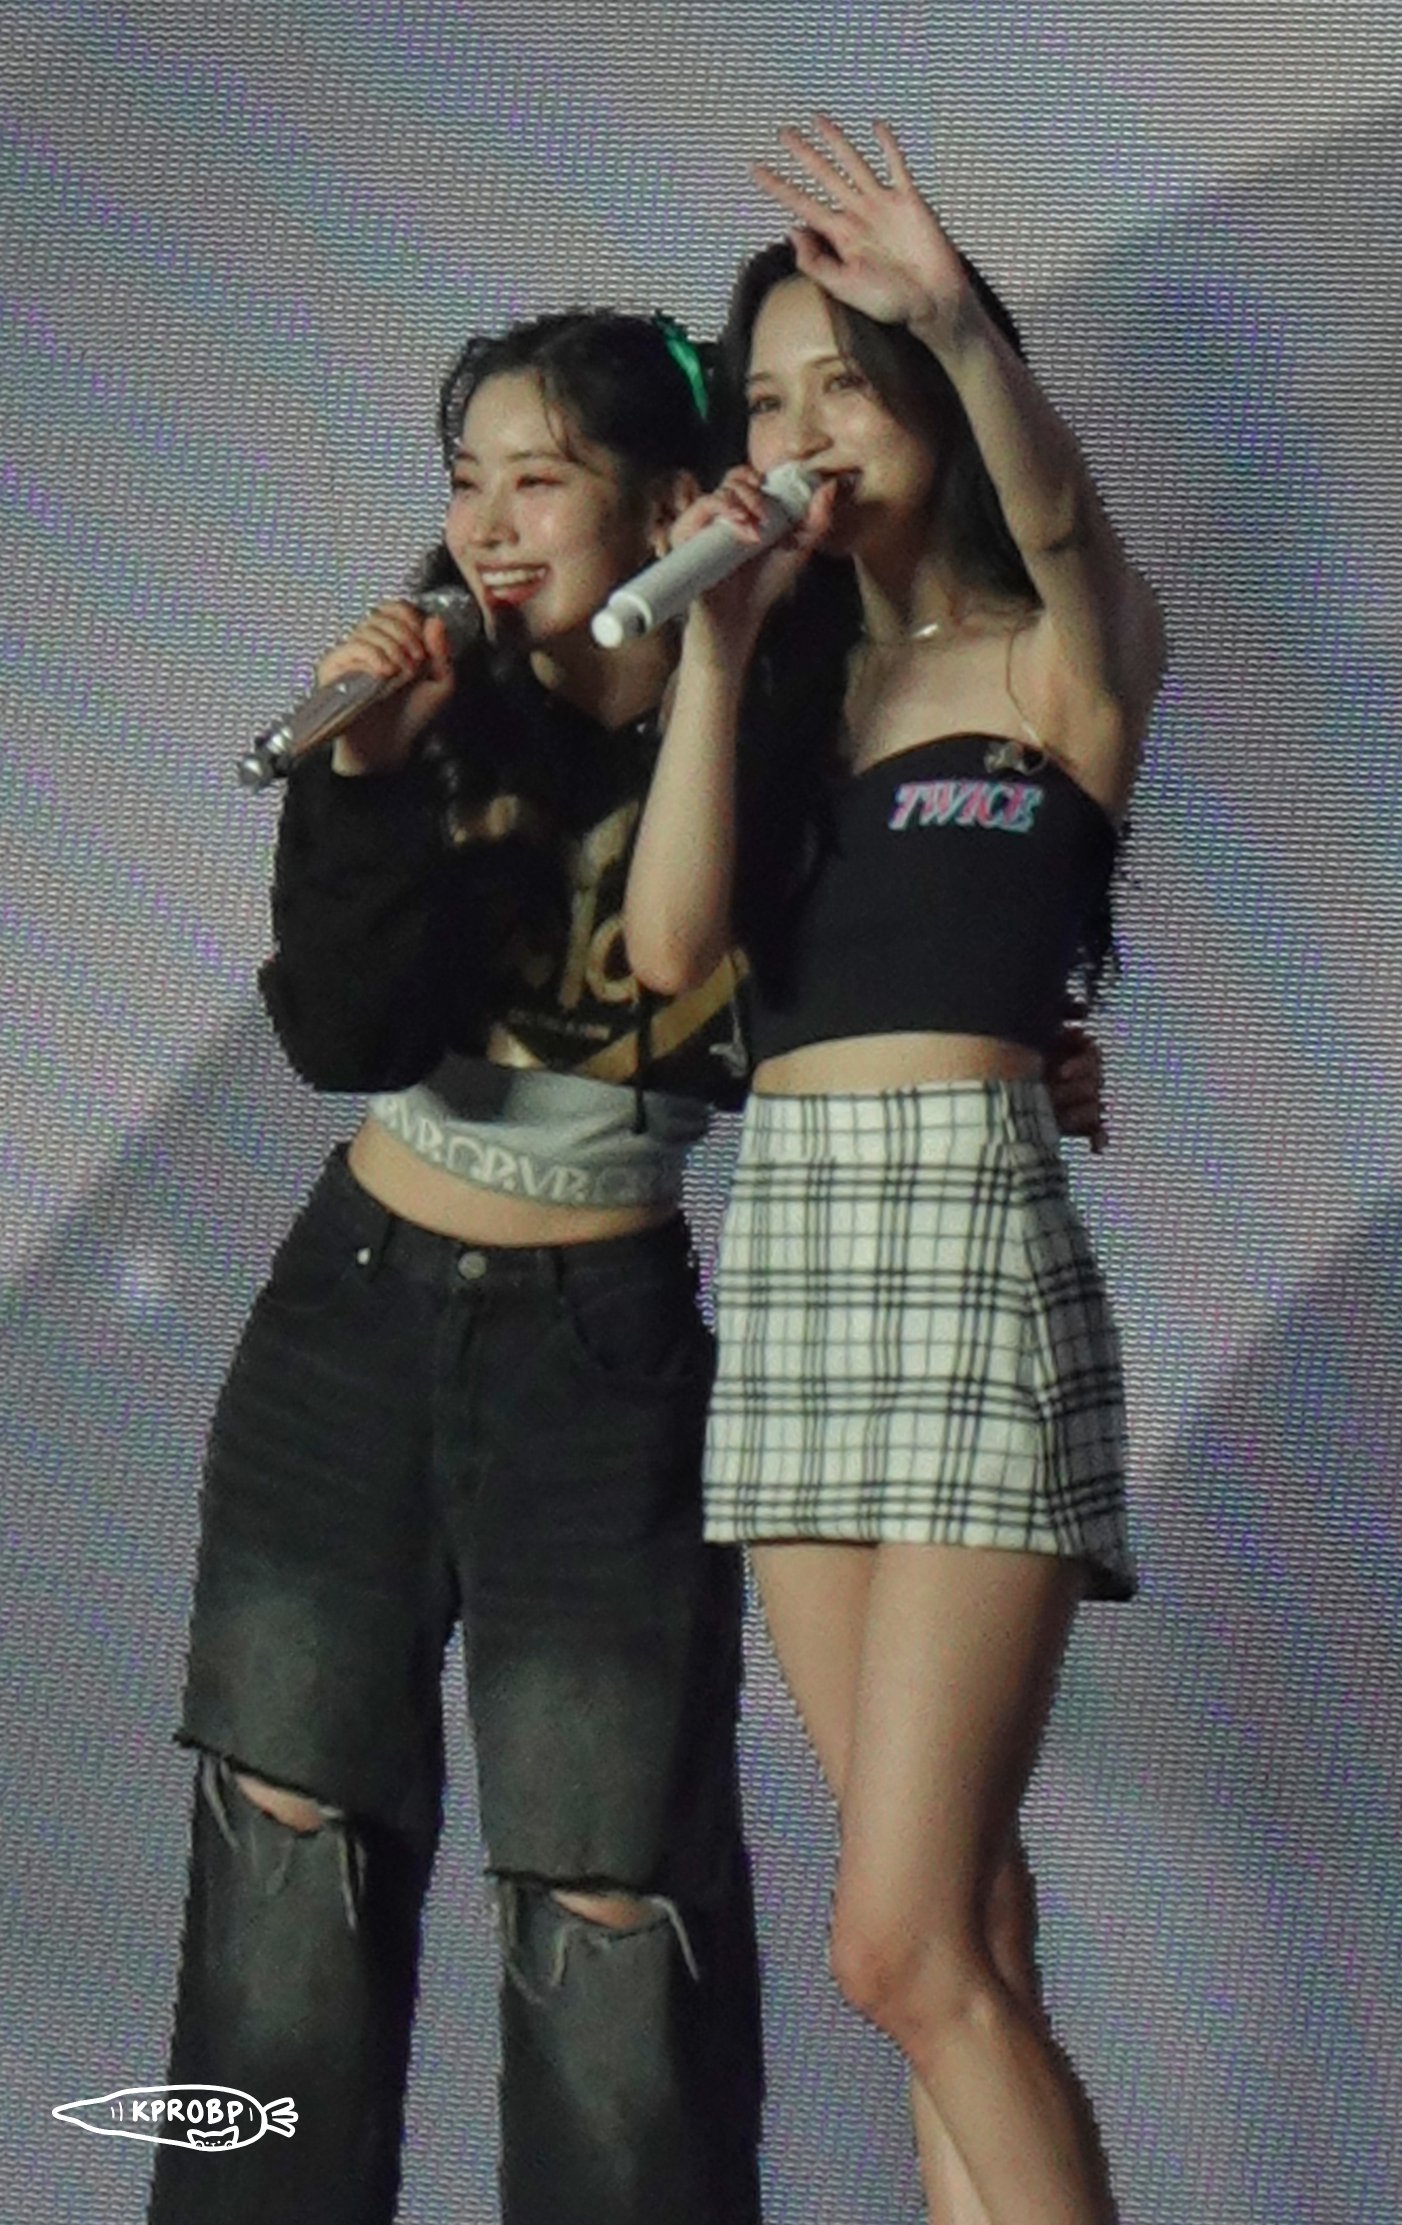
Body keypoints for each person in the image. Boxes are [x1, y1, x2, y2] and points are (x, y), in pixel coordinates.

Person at [148, 310, 765, 2225]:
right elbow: (344, 1032)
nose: (491, 525)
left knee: (609, 1906)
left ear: (665, 501)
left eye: (540, 479)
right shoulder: (441, 719)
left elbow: (760, 996)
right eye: (466, 481)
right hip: (355, 1306)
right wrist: (362, 783)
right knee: (284, 1862)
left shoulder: (770, 721)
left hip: (598, 1353)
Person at [626, 117, 1165, 2225]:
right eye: (768, 401)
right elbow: (671, 952)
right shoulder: (788, 697)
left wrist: (948, 310)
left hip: (959, 1247)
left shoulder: (1060, 655)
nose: (804, 432)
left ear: (936, 388)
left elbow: (1070, 535)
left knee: (900, 1944)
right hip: (791, 1268)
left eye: (847, 381)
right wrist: (715, 656)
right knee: (964, 1925)